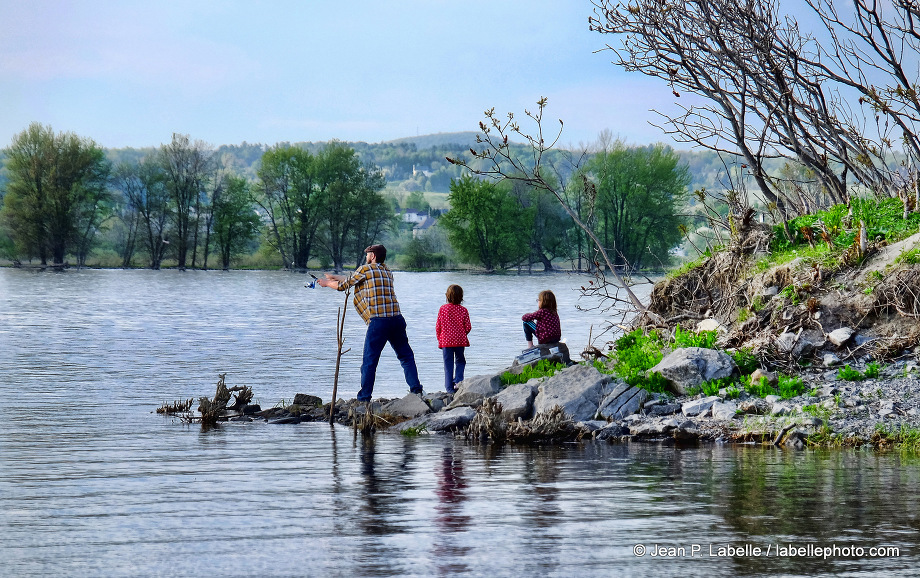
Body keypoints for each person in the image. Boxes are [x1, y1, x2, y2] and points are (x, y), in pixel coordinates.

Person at [317, 244, 423, 401]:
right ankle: (416, 391)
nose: (366, 256)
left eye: (367, 254)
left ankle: (364, 398)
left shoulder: (365, 269)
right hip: (397, 319)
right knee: (406, 357)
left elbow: (343, 286)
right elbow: (355, 279)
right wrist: (333, 277)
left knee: (369, 361)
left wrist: (326, 283)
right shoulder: (387, 271)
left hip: (379, 322)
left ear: (372, 256)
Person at [435, 284, 471, 394]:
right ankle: (458, 381)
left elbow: (438, 326)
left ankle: (449, 389)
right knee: (460, 361)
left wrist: (440, 339)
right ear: (461, 297)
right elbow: (468, 327)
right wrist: (462, 334)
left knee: (448, 364)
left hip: (446, 341)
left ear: (447, 296)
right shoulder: (463, 310)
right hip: (460, 340)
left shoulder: (443, 309)